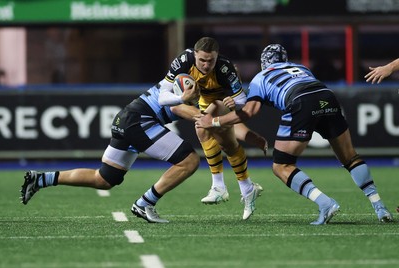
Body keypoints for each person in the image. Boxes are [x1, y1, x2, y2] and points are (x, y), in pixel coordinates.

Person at [195, 44, 394, 224]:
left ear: (264, 62)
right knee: (350, 157)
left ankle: (325, 203)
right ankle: (380, 207)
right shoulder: (301, 68)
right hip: (327, 96)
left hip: (300, 102)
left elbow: (249, 112)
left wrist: (213, 121)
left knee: (281, 166)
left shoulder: (260, 77)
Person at [20, 79, 201, 223]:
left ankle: (42, 179)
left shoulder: (184, 77)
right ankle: (145, 203)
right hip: (139, 121)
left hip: (127, 119)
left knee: (104, 179)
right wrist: (215, 120)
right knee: (189, 160)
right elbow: (179, 106)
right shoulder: (184, 84)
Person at [158, 37, 267, 220]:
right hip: (203, 105)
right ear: (195, 55)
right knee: (226, 144)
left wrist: (235, 102)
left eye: (211, 60)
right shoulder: (183, 61)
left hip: (222, 103)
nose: (207, 65)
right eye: (202, 60)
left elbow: (241, 101)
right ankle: (246, 188)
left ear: (217, 57)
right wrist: (182, 97)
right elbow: (162, 98)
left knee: (208, 120)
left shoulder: (225, 68)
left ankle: (219, 186)